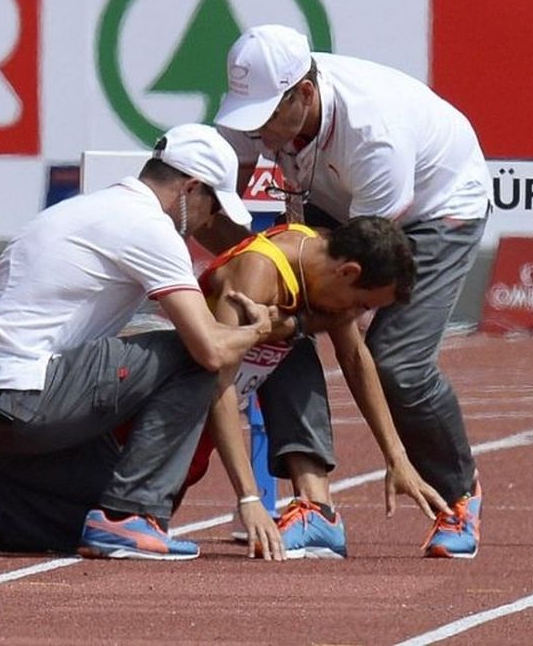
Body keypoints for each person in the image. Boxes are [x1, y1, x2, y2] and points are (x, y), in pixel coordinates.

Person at [0, 123, 283, 561]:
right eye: (214, 206)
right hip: (23, 396)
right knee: (192, 359)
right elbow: (208, 348)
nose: (211, 222)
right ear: (191, 188)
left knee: (108, 502)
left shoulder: (93, 209)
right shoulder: (150, 228)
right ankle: (129, 517)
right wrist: (258, 331)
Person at [207, 25, 492, 558]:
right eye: (251, 116)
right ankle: (315, 506)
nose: (258, 130)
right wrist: (251, 273)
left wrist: (395, 456)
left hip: (438, 208)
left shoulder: (374, 136)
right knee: (271, 315)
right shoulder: (263, 104)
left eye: (268, 117)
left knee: (397, 363)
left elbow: (345, 302)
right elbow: (210, 198)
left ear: (305, 95)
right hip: (336, 199)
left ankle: (458, 495)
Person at [186, 216, 452, 561]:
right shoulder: (258, 272)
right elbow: (217, 383)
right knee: (121, 512)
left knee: (296, 347)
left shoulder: (321, 264)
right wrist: (249, 498)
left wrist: (396, 458)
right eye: (363, 305)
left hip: (217, 399)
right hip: (181, 402)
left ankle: (318, 511)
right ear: (348, 273)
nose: (355, 315)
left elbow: (355, 357)